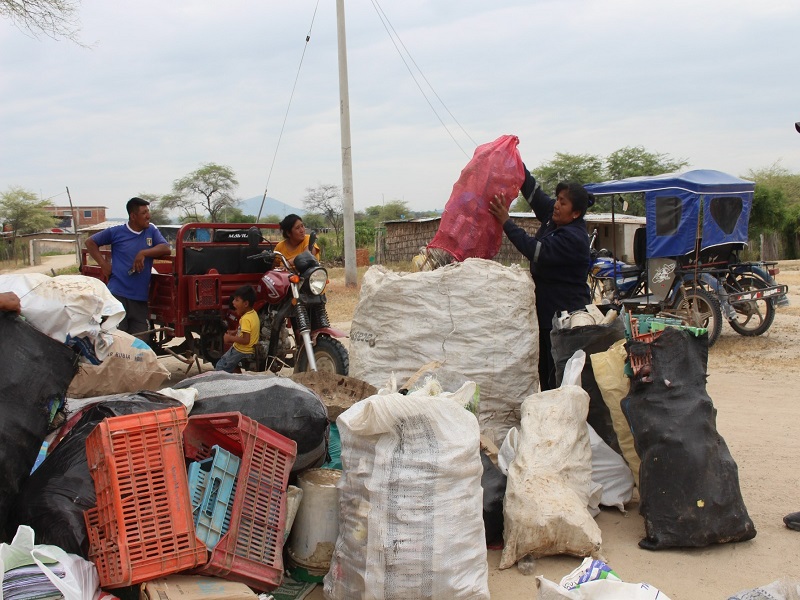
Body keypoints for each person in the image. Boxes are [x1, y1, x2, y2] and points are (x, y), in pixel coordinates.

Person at [488, 166, 593, 391]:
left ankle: (560, 416)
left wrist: (506, 221)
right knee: (544, 372)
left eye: (563, 202)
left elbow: (535, 250)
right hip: (547, 312)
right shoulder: (554, 220)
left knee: (558, 374)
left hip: (565, 315)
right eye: (558, 199)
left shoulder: (573, 237)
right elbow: (534, 193)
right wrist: (516, 163)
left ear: (575, 213)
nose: (556, 205)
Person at [85, 197, 171, 340]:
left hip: (140, 299)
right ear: (133, 216)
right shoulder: (117, 232)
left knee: (140, 345)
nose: (148, 216)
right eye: (144, 213)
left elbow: (165, 248)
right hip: (118, 296)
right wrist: (104, 264)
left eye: (148, 212)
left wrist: (143, 253)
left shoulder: (151, 230)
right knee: (117, 342)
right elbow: (90, 242)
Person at [215, 284, 260, 373]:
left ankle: (223, 385)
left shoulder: (245, 319)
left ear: (246, 303)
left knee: (220, 366)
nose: (233, 303)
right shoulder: (253, 314)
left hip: (242, 351)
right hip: (249, 350)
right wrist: (235, 332)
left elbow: (246, 340)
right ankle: (238, 381)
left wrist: (230, 338)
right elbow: (247, 331)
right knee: (231, 365)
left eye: (237, 300)